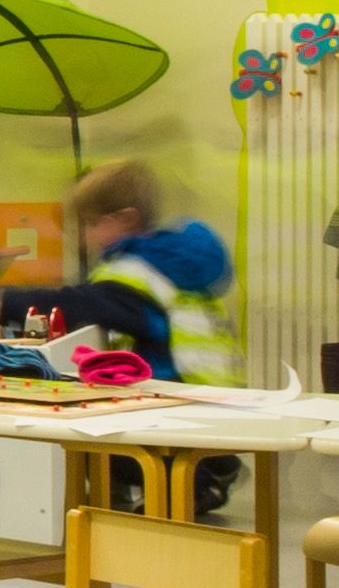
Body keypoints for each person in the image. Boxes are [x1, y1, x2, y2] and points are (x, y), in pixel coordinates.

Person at [55, 156, 244, 518]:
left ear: (124, 219)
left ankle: (196, 482)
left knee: (88, 438)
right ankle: (214, 464)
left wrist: (5, 304)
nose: (83, 236)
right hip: (210, 390)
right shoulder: (172, 260)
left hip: (176, 394)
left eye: (90, 224)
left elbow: (86, 303)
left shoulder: (134, 271)